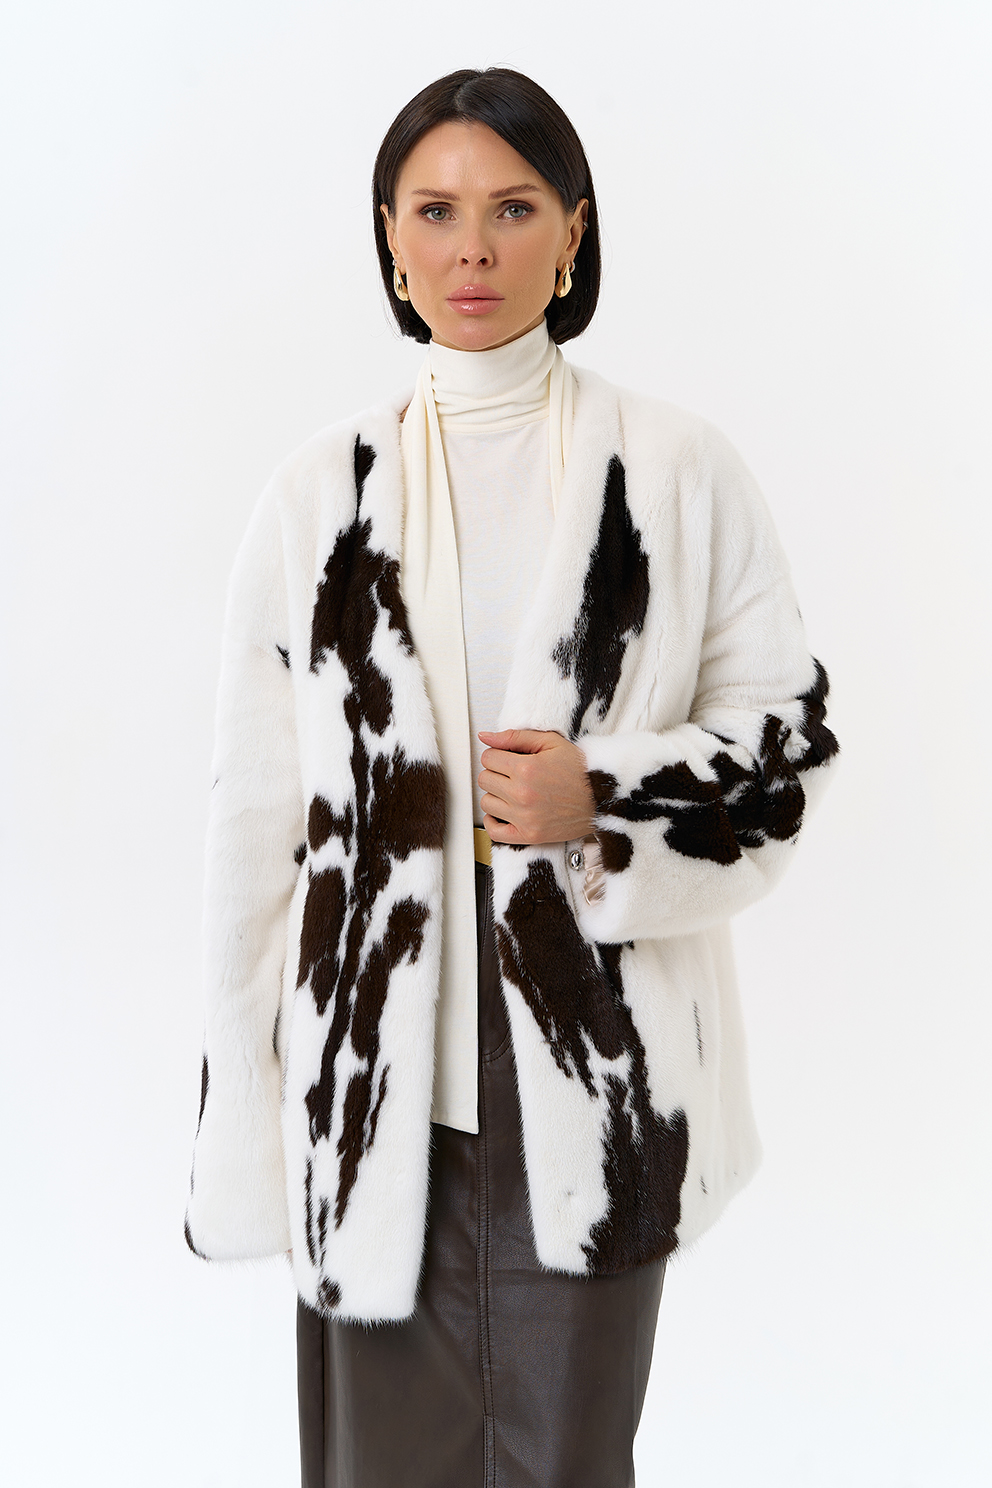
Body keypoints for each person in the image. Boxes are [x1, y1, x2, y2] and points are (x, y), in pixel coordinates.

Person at [184, 67, 839, 1488]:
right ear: (390, 238)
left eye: (513, 208)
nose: (471, 248)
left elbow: (787, 739)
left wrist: (603, 797)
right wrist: (246, 1096)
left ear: (573, 232)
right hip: (375, 1081)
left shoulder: (674, 472)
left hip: (593, 1067)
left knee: (569, 1461)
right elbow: (255, 824)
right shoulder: (318, 496)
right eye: (434, 211)